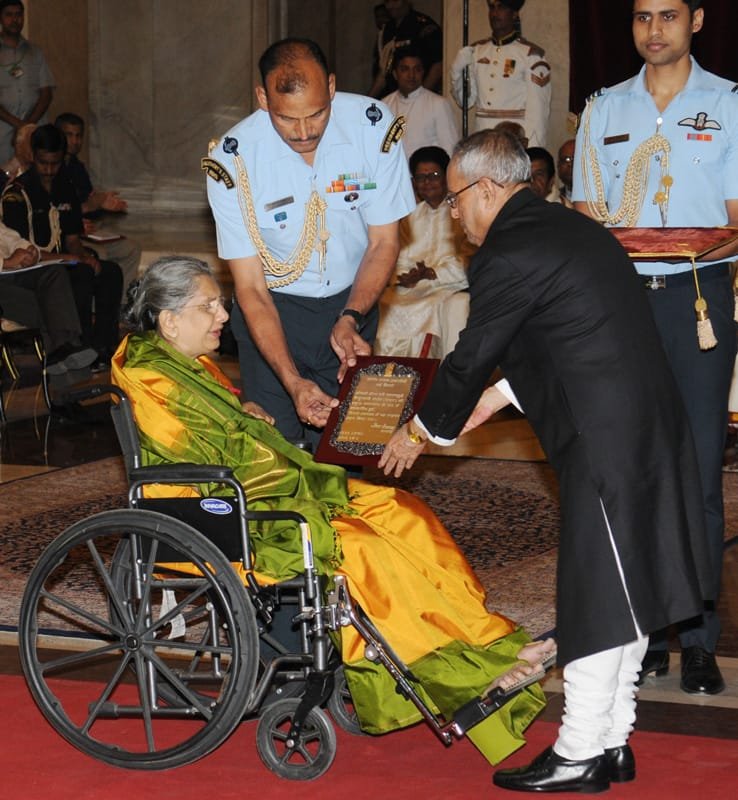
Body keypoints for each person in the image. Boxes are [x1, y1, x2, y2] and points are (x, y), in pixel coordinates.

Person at [111, 253, 555, 767]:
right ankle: (462, 676)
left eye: (222, 303)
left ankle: (490, 644)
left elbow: (222, 428)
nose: (224, 316)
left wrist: (249, 414)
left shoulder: (184, 361)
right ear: (168, 321)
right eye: (209, 306)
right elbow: (204, 452)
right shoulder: (144, 369)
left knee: (403, 513)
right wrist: (272, 444)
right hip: (220, 507)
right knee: (363, 549)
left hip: (261, 487)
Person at [379, 129, 710, 793]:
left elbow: (472, 352)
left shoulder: (511, 250)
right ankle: (614, 741)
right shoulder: (565, 228)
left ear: (488, 189)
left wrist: (420, 429)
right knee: (629, 591)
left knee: (597, 596)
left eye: (455, 201)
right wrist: (495, 400)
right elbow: (568, 332)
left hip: (608, 441)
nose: (454, 216)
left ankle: (579, 753)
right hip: (642, 425)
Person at [572, 0, 738, 696]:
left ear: (696, 20)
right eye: (642, 17)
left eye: (669, 15)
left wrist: (678, 249)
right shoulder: (604, 109)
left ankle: (697, 637)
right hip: (625, 308)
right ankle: (642, 635)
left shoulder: (729, 105)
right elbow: (586, 212)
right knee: (631, 473)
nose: (654, 30)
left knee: (698, 471)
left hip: (698, 303)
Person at [205, 38, 415, 449]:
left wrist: (352, 315)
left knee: (355, 450)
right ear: (262, 98)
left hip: (353, 305)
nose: (305, 132)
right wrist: (292, 381)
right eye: (287, 119)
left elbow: (383, 242)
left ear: (332, 87)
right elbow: (250, 287)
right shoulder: (233, 163)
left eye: (317, 113)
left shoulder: (373, 127)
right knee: (276, 455)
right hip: (274, 310)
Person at [0, 123, 123, 369]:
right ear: (33, 157)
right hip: (35, 267)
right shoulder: (17, 193)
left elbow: (70, 238)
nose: (48, 170)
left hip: (50, 261)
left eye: (54, 163)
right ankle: (78, 346)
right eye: (43, 162)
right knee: (77, 274)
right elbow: (21, 244)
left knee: (109, 271)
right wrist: (68, 258)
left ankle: (103, 347)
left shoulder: (64, 186)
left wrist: (82, 255)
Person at [375, 146, 473, 358]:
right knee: (387, 303)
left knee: (427, 306)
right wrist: (404, 276)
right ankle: (389, 378)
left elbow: (468, 257)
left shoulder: (461, 212)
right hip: (412, 286)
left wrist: (433, 274)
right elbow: (398, 256)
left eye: (434, 175)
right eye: (421, 177)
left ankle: (424, 377)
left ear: (447, 176)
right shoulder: (411, 215)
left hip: (447, 285)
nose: (427, 182)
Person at [55, 112, 142, 291]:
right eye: (69, 135)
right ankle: (96, 310)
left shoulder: (77, 168)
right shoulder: (52, 168)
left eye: (78, 135)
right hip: (63, 235)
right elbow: (56, 209)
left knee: (131, 248)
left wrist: (102, 205)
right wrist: (86, 210)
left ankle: (122, 306)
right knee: (100, 254)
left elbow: (89, 205)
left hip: (84, 231)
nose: (75, 141)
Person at [0, 219, 96, 374]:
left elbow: (11, 238)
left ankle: (62, 351)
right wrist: (6, 262)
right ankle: (64, 354)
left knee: (54, 272)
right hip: (4, 279)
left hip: (12, 273)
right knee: (49, 305)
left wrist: (30, 251)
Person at [450, 1, 551, 146]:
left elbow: (538, 114)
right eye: (492, 8)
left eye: (501, 8)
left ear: (515, 14)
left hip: (514, 139)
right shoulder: (477, 51)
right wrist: (457, 71)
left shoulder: (530, 55)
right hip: (482, 138)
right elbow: (465, 101)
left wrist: (532, 149)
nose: (495, 14)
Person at [382, 46, 459, 159]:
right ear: (395, 74)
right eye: (405, 69)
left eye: (417, 69)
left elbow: (451, 149)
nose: (411, 75)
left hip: (427, 174)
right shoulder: (385, 105)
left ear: (423, 72)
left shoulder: (438, 104)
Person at [0, 0, 54, 163]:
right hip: (3, 134)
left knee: (31, 184)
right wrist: (19, 126)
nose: (14, 20)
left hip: (34, 134)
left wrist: (26, 129)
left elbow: (46, 94)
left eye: (18, 14)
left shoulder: (35, 52)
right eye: (9, 15)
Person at [369, 0, 443, 98]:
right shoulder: (388, 29)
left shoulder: (424, 26)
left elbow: (438, 66)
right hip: (395, 98)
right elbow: (383, 72)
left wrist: (420, 97)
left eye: (395, 1)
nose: (391, 6)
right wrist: (366, 100)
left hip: (422, 98)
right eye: (387, 2)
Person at [556, 138, 575, 208]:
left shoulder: (601, 198)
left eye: (576, 159)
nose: (571, 164)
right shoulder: (553, 199)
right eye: (566, 159)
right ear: (558, 165)